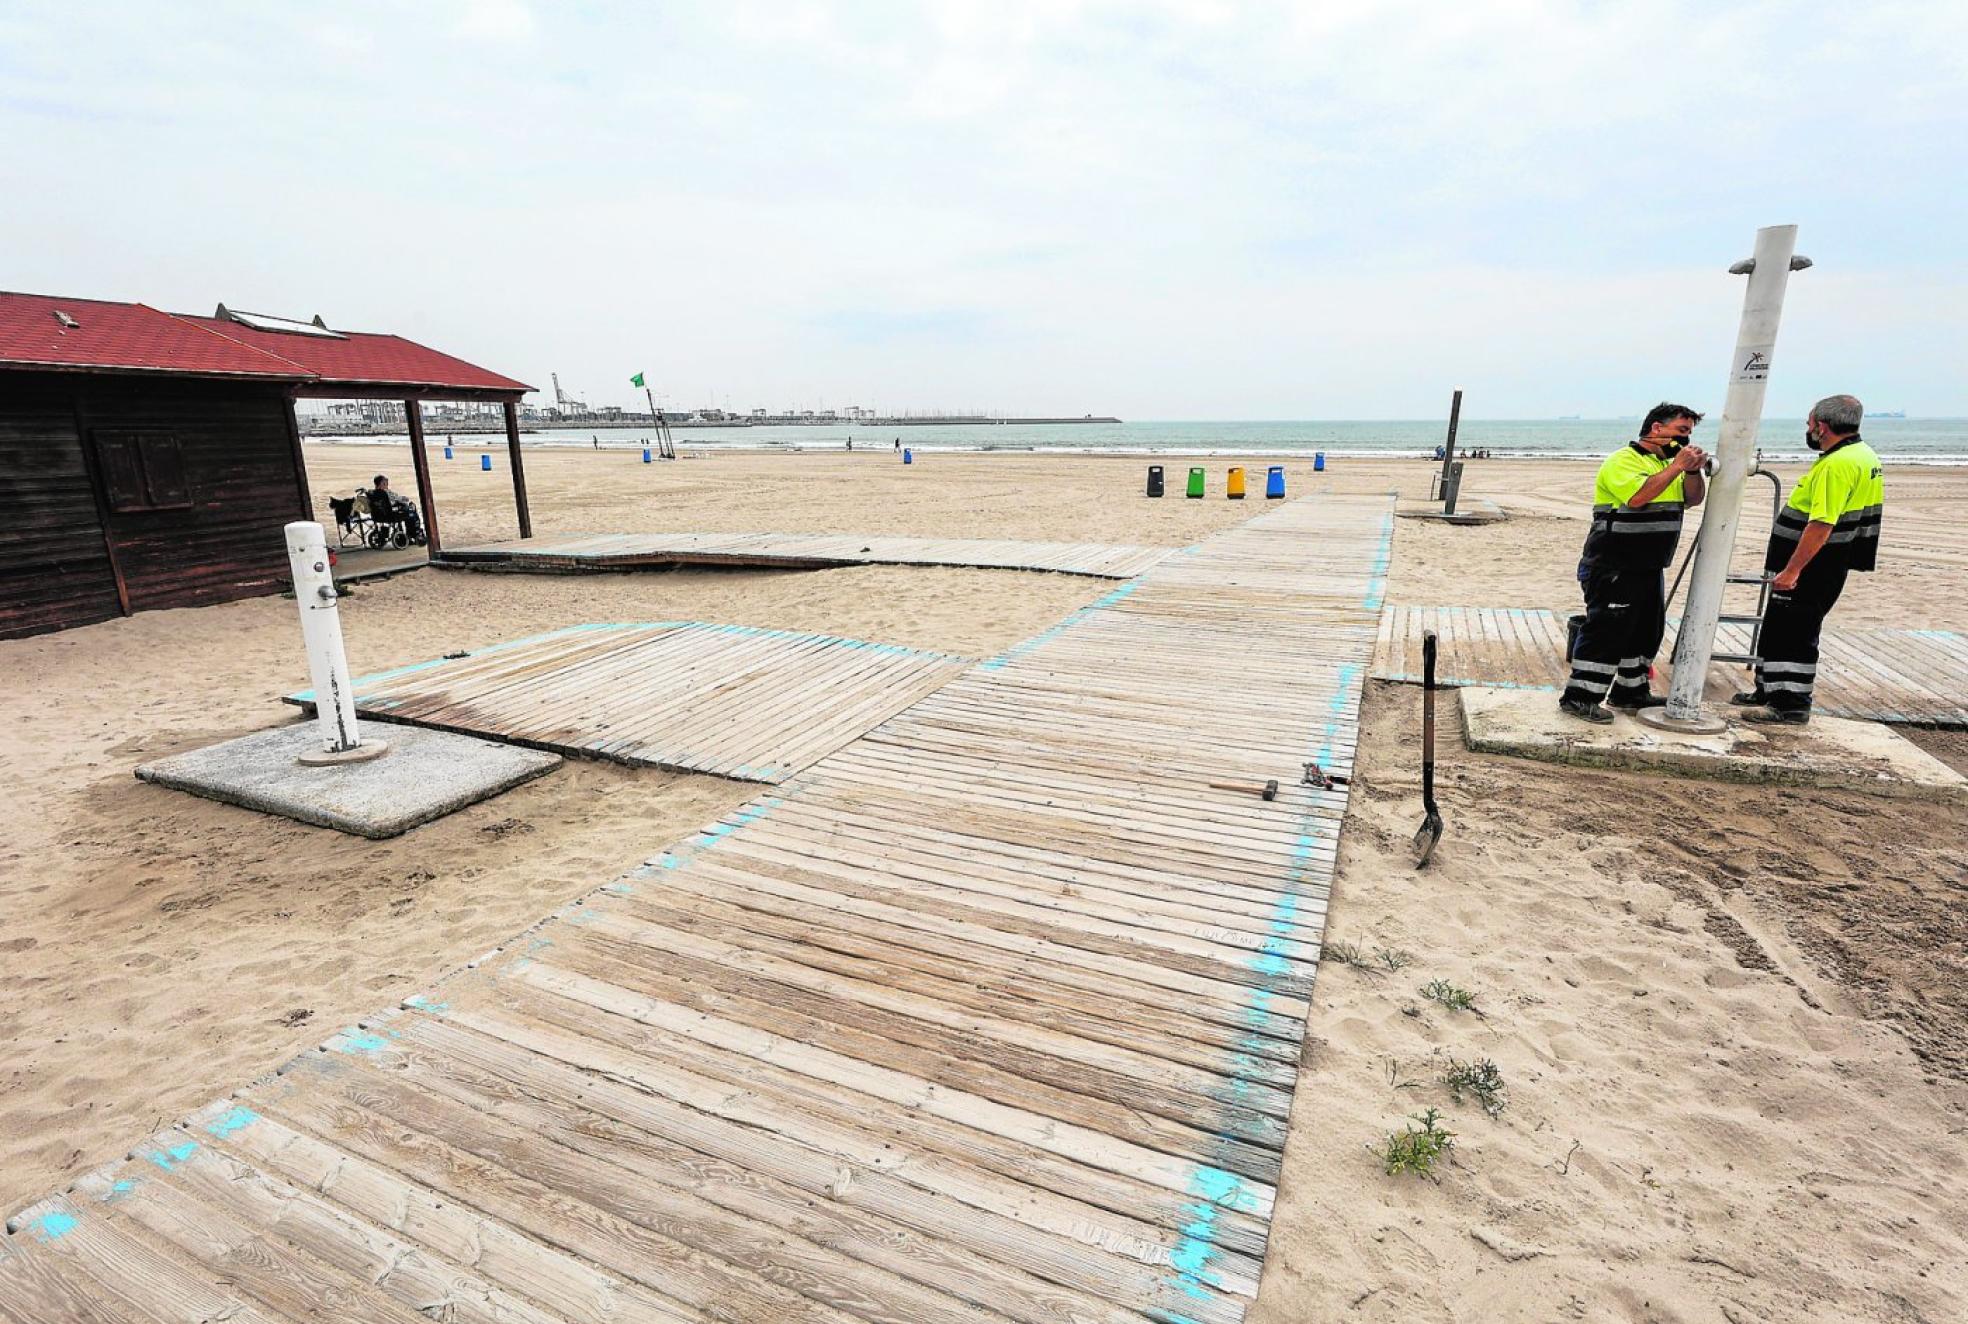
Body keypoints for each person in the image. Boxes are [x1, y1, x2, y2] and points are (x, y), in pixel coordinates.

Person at [1732, 395, 1883, 725]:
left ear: (1822, 427)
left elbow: (1821, 524)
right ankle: (1769, 689)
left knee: (1793, 633)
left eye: (1809, 423)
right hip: (1833, 561)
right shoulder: (1864, 455)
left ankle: (1789, 704)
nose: (1808, 429)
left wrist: (1792, 569)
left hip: (1814, 565)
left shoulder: (1836, 465)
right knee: (1776, 628)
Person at [1559, 403, 1708, 722]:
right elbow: (1638, 497)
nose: (1684, 440)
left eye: (1689, 434)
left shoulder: (1665, 465)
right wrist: (1676, 467)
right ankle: (1580, 696)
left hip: (1648, 565)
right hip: (1613, 564)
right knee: (1607, 631)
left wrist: (1692, 470)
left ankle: (1631, 690)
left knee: (1645, 631)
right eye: (1681, 432)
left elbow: (1693, 499)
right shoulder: (1623, 461)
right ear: (1656, 428)